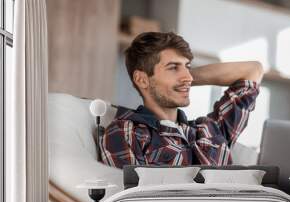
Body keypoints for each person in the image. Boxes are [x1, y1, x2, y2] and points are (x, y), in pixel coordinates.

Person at [100, 32, 263, 168]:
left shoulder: (210, 129)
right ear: (142, 79)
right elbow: (131, 200)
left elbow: (253, 70)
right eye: (173, 67)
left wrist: (183, 79)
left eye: (187, 67)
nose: (188, 76)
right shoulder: (127, 132)